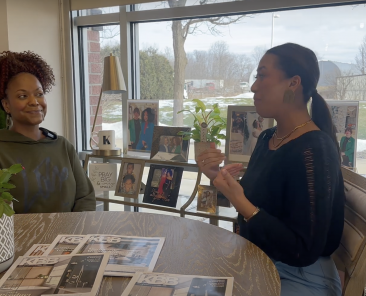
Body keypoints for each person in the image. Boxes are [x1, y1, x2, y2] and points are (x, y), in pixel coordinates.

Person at [197, 43, 344, 296]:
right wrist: (217, 176)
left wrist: (240, 201)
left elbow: (303, 250)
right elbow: (258, 204)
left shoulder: (315, 149)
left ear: (293, 83)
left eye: (262, 75)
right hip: (260, 260)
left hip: (299, 276)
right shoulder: (268, 138)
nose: (254, 86)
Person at [0, 51, 96, 213]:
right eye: (23, 96)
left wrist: (78, 233)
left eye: (39, 94)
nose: (34, 102)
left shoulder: (62, 146)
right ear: (6, 105)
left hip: (69, 236)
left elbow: (84, 197)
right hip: (19, 238)